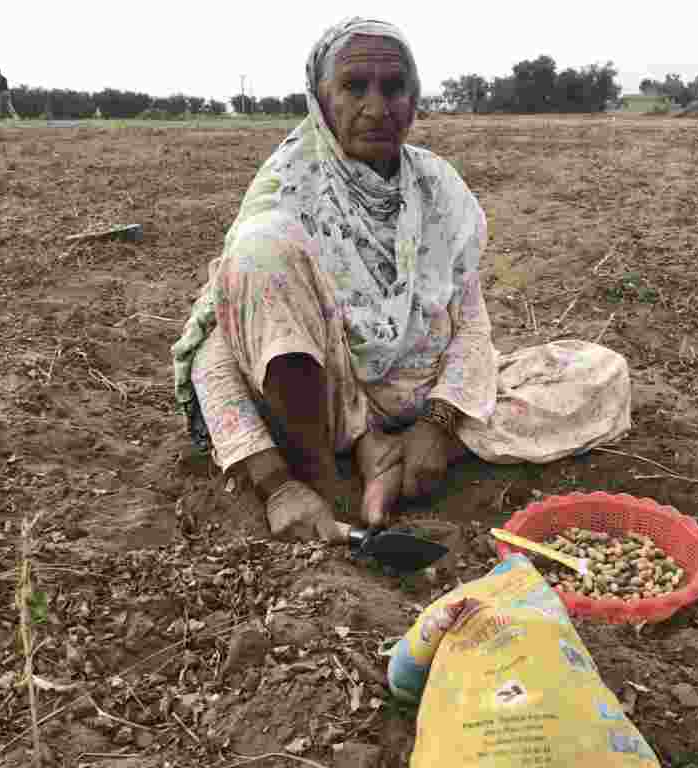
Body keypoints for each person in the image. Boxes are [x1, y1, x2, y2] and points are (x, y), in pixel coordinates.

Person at [171, 17, 631, 542]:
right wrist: (276, 484)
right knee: (261, 249)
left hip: (423, 395)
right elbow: (217, 350)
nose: (376, 107)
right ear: (320, 99)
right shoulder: (284, 196)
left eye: (394, 87)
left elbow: (470, 321)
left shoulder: (438, 189)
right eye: (352, 86)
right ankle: (330, 476)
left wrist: (438, 425)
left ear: (415, 97)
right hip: (321, 406)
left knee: (601, 373)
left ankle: (406, 453)